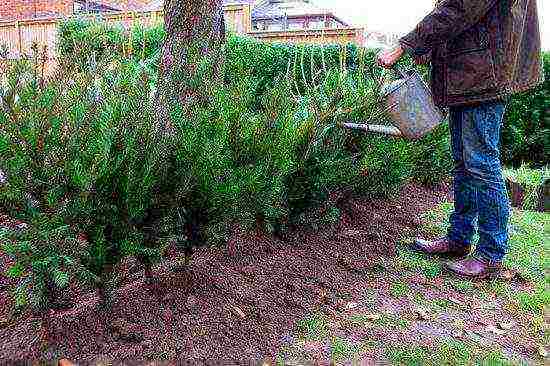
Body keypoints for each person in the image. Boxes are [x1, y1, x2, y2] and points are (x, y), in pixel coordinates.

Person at [377, 0, 544, 279]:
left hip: (483, 76)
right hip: (469, 74)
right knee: (465, 165)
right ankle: (458, 238)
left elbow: (459, 9)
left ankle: (491, 254)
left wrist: (405, 45)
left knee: (481, 165)